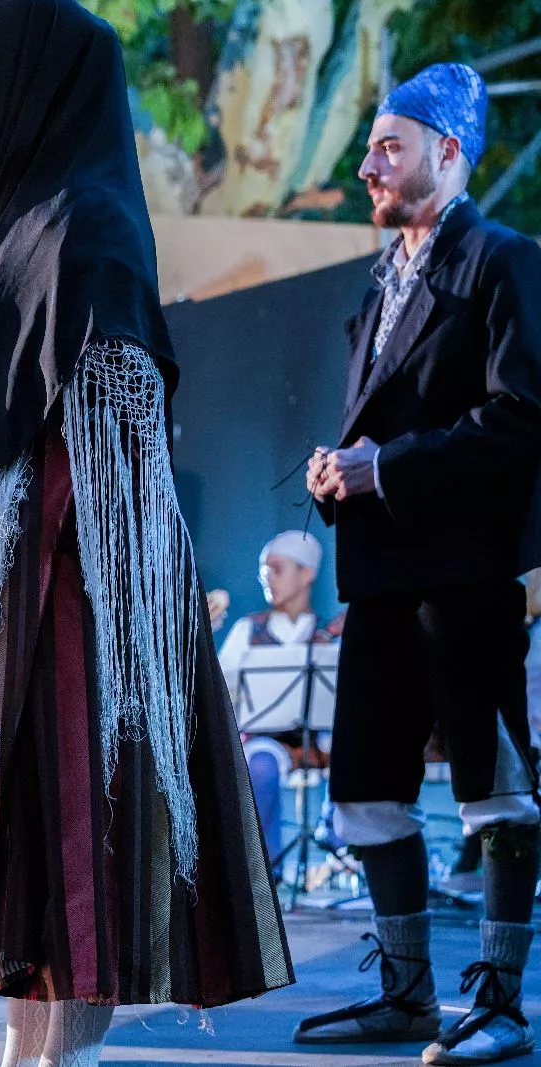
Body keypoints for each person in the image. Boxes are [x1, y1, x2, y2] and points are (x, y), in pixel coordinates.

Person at [0, 5, 293, 1066]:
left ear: (34, 78)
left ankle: (51, 1059)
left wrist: (19, 579)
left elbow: (112, 449)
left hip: (58, 604)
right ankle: (24, 1055)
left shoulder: (88, 225)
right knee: (18, 855)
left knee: (63, 836)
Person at [300, 62, 541, 1065]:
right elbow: (380, 425)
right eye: (367, 148)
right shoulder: (379, 281)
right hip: (384, 580)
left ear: (449, 151)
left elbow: (522, 415)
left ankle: (501, 1000)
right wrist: (333, 475)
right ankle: (405, 994)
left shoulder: (503, 260)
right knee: (361, 788)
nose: (366, 166)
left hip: (466, 577)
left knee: (493, 791)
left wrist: (380, 466)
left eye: (386, 146)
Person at [217, 530, 341, 863]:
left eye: (277, 568)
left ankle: (340, 847)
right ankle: (266, 867)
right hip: (266, 739)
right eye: (264, 570)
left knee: (351, 756)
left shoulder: (326, 634)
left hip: (317, 741)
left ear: (307, 573)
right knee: (260, 766)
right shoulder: (248, 629)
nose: (267, 578)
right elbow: (223, 691)